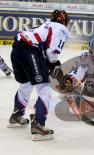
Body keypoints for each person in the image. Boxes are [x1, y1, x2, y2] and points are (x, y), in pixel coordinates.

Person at [8, 10, 69, 141]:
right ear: (64, 21)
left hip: (16, 50)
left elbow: (42, 48)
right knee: (44, 89)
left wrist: (50, 65)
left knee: (26, 84)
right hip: (30, 52)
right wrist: (53, 64)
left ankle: (16, 116)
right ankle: (38, 125)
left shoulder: (44, 25)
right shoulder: (61, 28)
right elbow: (52, 53)